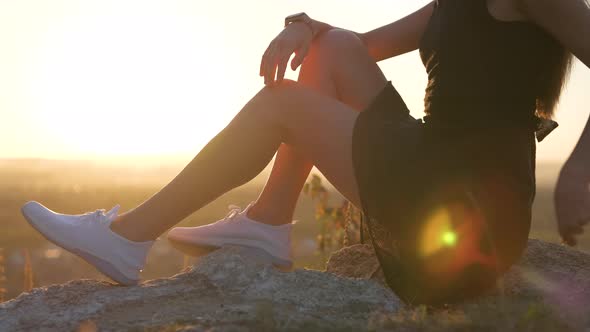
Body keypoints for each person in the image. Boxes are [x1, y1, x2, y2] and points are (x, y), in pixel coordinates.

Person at [21, 0, 590, 305]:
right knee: (332, 47)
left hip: (467, 204)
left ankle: (126, 239)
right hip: (433, 167)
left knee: (283, 104)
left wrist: (580, 168)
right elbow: (357, 47)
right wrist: (302, 27)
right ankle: (269, 221)